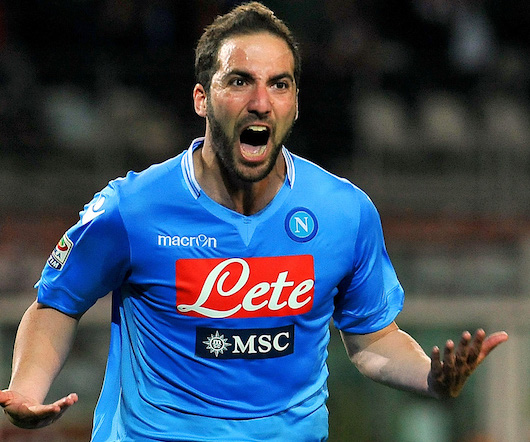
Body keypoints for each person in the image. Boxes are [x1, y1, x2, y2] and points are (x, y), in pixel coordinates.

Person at [0, 2, 508, 441]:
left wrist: (431, 378)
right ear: (202, 98)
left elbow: (372, 339)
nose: (260, 101)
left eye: (278, 84)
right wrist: (25, 389)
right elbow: (56, 306)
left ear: (293, 102)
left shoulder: (344, 212)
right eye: (240, 81)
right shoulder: (131, 209)